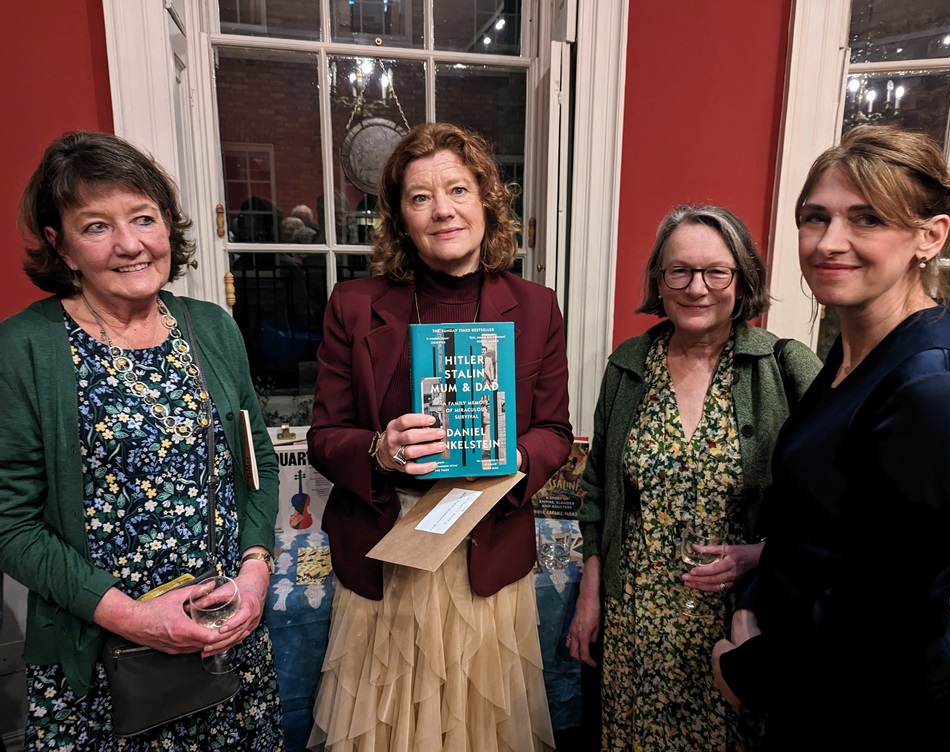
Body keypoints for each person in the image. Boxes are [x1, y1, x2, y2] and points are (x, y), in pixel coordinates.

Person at [711, 124, 950, 750]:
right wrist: (762, 570)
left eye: (866, 220)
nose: (829, 242)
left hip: (869, 707)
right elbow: (855, 525)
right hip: (811, 677)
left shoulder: (936, 385)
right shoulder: (853, 351)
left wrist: (754, 670)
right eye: (815, 218)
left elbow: (895, 607)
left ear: (931, 235)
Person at [0, 131, 283, 749]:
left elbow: (256, 464)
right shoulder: (23, 348)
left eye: (144, 219)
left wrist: (256, 574)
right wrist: (135, 619)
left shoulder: (210, 326)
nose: (130, 245)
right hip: (104, 665)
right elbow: (11, 524)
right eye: (96, 226)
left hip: (228, 644)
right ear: (61, 245)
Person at [306, 121, 574, 751]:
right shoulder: (353, 303)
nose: (443, 210)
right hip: (388, 554)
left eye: (457, 189)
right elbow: (323, 436)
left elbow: (556, 432)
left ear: (485, 199)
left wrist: (511, 456)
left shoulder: (536, 307)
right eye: (420, 197)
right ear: (400, 216)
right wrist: (379, 448)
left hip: (487, 555)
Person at [567, 204, 822, 750]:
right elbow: (598, 496)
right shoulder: (628, 365)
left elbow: (834, 505)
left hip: (737, 626)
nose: (696, 287)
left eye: (715, 272)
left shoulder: (784, 366)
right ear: (659, 281)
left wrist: (760, 554)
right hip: (636, 624)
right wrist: (590, 598)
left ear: (742, 278)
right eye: (678, 270)